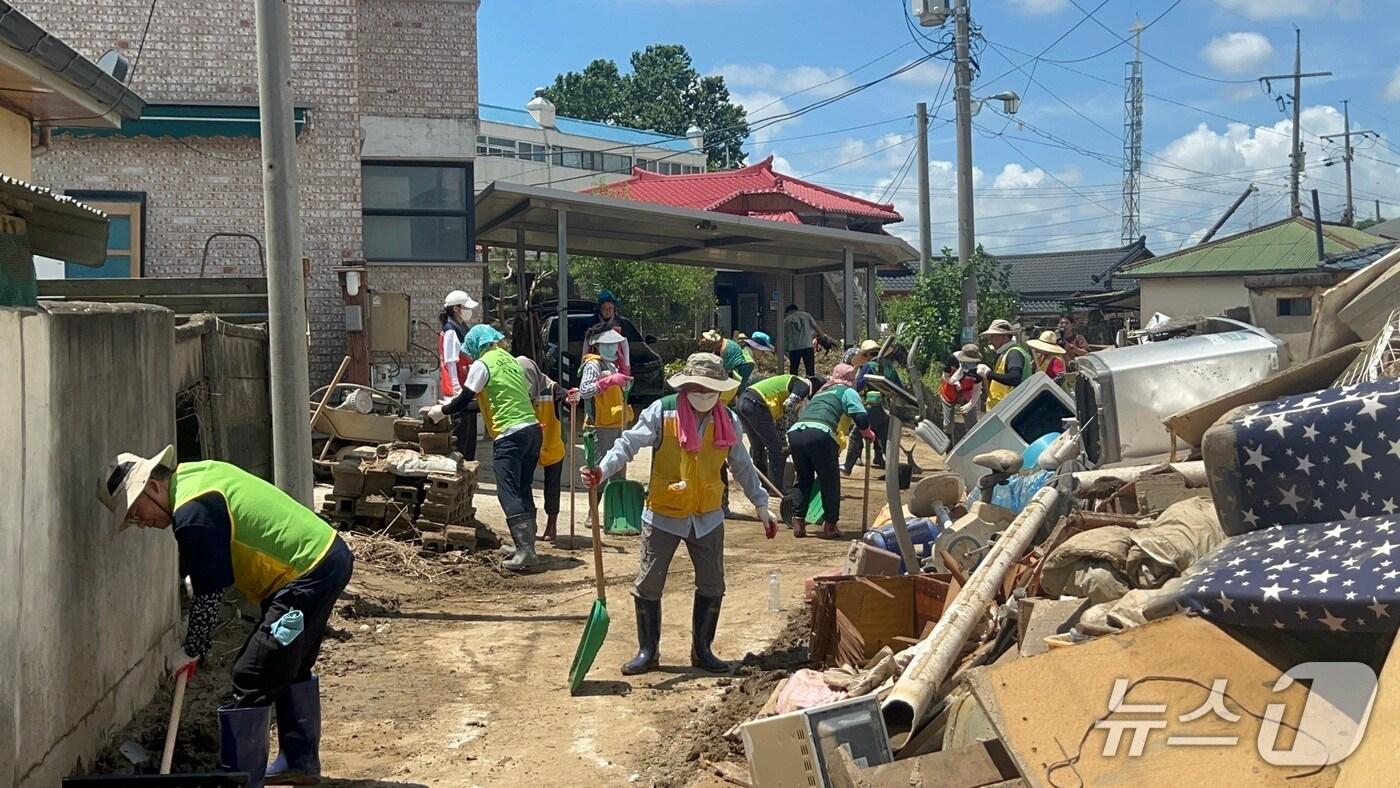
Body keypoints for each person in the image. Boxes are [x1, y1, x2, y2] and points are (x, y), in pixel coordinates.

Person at [98, 446, 354, 786]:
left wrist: (192, 648)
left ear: (152, 487)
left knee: (253, 673)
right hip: (321, 560)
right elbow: (226, 536)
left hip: (306, 574)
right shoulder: (195, 477)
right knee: (289, 663)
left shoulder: (191, 513)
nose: (140, 522)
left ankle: (240, 779)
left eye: (135, 511)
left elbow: (210, 595)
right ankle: (299, 761)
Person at [582, 353, 777, 676]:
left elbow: (742, 465)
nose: (703, 393)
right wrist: (602, 470)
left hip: (708, 515)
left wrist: (760, 505)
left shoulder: (727, 419)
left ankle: (703, 650)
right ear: (686, 385)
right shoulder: (663, 411)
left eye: (710, 387)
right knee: (648, 585)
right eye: (697, 386)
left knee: (713, 584)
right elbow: (629, 444)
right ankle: (648, 651)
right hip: (664, 512)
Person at [430, 324, 543, 571]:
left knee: (508, 491)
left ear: (476, 346)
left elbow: (465, 398)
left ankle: (526, 552)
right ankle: (526, 546)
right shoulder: (509, 359)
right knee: (523, 488)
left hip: (510, 434)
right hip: (532, 430)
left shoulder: (483, 364)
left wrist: (441, 411)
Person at [787, 364, 874, 539]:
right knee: (830, 481)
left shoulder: (822, 392)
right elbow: (861, 417)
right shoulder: (847, 392)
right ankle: (830, 526)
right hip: (820, 434)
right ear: (851, 379)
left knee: (803, 479)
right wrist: (867, 432)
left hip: (796, 432)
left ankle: (798, 522)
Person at [570, 326, 633, 474]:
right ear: (596, 345)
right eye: (607, 344)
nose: (612, 347)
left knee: (617, 469)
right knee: (599, 473)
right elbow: (585, 391)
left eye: (614, 344)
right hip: (600, 425)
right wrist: (607, 381)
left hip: (616, 421)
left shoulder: (611, 364)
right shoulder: (593, 364)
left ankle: (615, 497)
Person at [518, 355, 567, 542]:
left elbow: (564, 395)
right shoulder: (517, 388)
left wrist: (570, 397)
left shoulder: (550, 387)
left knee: (552, 486)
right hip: (530, 444)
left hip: (552, 443)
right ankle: (531, 521)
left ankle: (551, 526)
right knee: (525, 482)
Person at [736, 372, 817, 484]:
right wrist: (791, 433)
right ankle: (777, 487)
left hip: (743, 402)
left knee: (758, 448)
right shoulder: (804, 386)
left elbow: (781, 422)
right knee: (777, 451)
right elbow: (788, 404)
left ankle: (762, 485)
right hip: (756, 404)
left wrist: (783, 442)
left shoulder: (787, 384)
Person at [844, 344, 905, 475]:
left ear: (868, 355)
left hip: (873, 405)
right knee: (885, 438)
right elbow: (900, 387)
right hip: (887, 407)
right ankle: (892, 470)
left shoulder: (870, 366)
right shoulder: (889, 367)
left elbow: (859, 385)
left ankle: (848, 466)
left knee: (856, 433)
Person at [439, 289, 480, 460]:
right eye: (465, 307)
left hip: (466, 389)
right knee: (461, 438)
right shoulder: (451, 331)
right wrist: (456, 389)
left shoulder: (460, 328)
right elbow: (450, 361)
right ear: (456, 308)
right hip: (458, 390)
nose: (468, 311)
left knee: (469, 437)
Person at [977, 319, 1032, 411]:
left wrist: (988, 373)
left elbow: (1014, 378)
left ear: (1004, 336)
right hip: (1003, 409)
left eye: (993, 336)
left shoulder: (1014, 353)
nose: (990, 340)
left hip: (1011, 409)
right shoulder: (1005, 353)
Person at [940, 344, 984, 442]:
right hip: (949, 392)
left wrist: (971, 404)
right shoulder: (953, 360)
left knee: (972, 424)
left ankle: (972, 447)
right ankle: (949, 448)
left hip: (968, 393)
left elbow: (977, 388)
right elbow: (944, 377)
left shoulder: (979, 368)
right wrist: (954, 382)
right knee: (948, 425)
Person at [704, 328, 756, 396]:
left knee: (739, 388)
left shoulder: (725, 350)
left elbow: (724, 368)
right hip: (740, 362)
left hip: (744, 365)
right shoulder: (723, 343)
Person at [594, 290, 631, 376]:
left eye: (610, 308)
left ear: (614, 308)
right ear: (600, 309)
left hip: (616, 359)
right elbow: (587, 342)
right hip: (598, 358)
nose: (607, 311)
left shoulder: (621, 322)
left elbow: (624, 342)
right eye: (604, 308)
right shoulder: (593, 321)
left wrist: (627, 363)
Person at [783, 305, 820, 376]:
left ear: (789, 311)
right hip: (807, 346)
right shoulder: (806, 315)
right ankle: (811, 383)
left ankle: (794, 384)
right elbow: (816, 326)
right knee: (810, 369)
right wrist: (823, 336)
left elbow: (781, 335)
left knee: (794, 370)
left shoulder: (787, 319)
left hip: (794, 347)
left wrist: (776, 346)